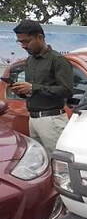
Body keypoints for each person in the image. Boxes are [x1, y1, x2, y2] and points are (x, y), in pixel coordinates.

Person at [11, 20, 73, 155]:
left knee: (60, 164)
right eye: (20, 42)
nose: (23, 46)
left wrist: (34, 88)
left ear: (40, 37)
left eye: (26, 41)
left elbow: (67, 90)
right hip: (32, 120)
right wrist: (22, 91)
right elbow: (32, 91)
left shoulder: (57, 60)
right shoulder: (30, 61)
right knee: (40, 163)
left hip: (51, 120)